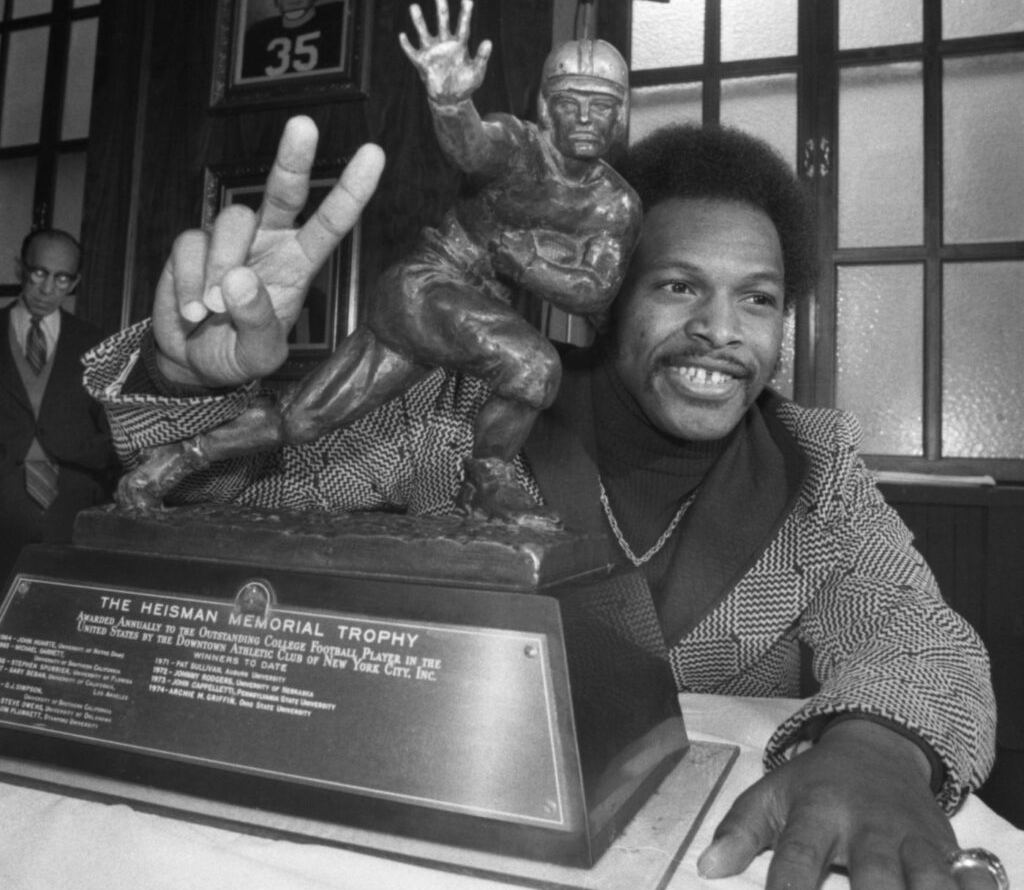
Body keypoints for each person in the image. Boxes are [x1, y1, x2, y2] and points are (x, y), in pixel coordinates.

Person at [83, 118, 996, 890]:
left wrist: (876, 748)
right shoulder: (457, 414)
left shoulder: (817, 465)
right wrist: (180, 381)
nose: (721, 331)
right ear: (607, 296)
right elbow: (225, 514)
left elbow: (915, 632)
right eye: (679, 286)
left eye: (756, 299)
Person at [119, 0, 641, 525]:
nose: (583, 117)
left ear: (621, 113)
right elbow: (475, 148)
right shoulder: (518, 146)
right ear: (545, 107)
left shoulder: (614, 204)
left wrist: (521, 261)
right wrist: (451, 104)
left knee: (302, 422)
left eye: (600, 105)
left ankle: (174, 460)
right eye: (570, 101)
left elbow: (594, 289)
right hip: (425, 289)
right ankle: (487, 478)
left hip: (465, 328)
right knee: (531, 366)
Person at [1, 228, 117, 570]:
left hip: (74, 507)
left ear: (75, 281)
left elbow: (120, 439)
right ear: (19, 269)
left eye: (62, 279)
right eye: (39, 273)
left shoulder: (98, 345)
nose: (48, 289)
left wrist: (74, 445)